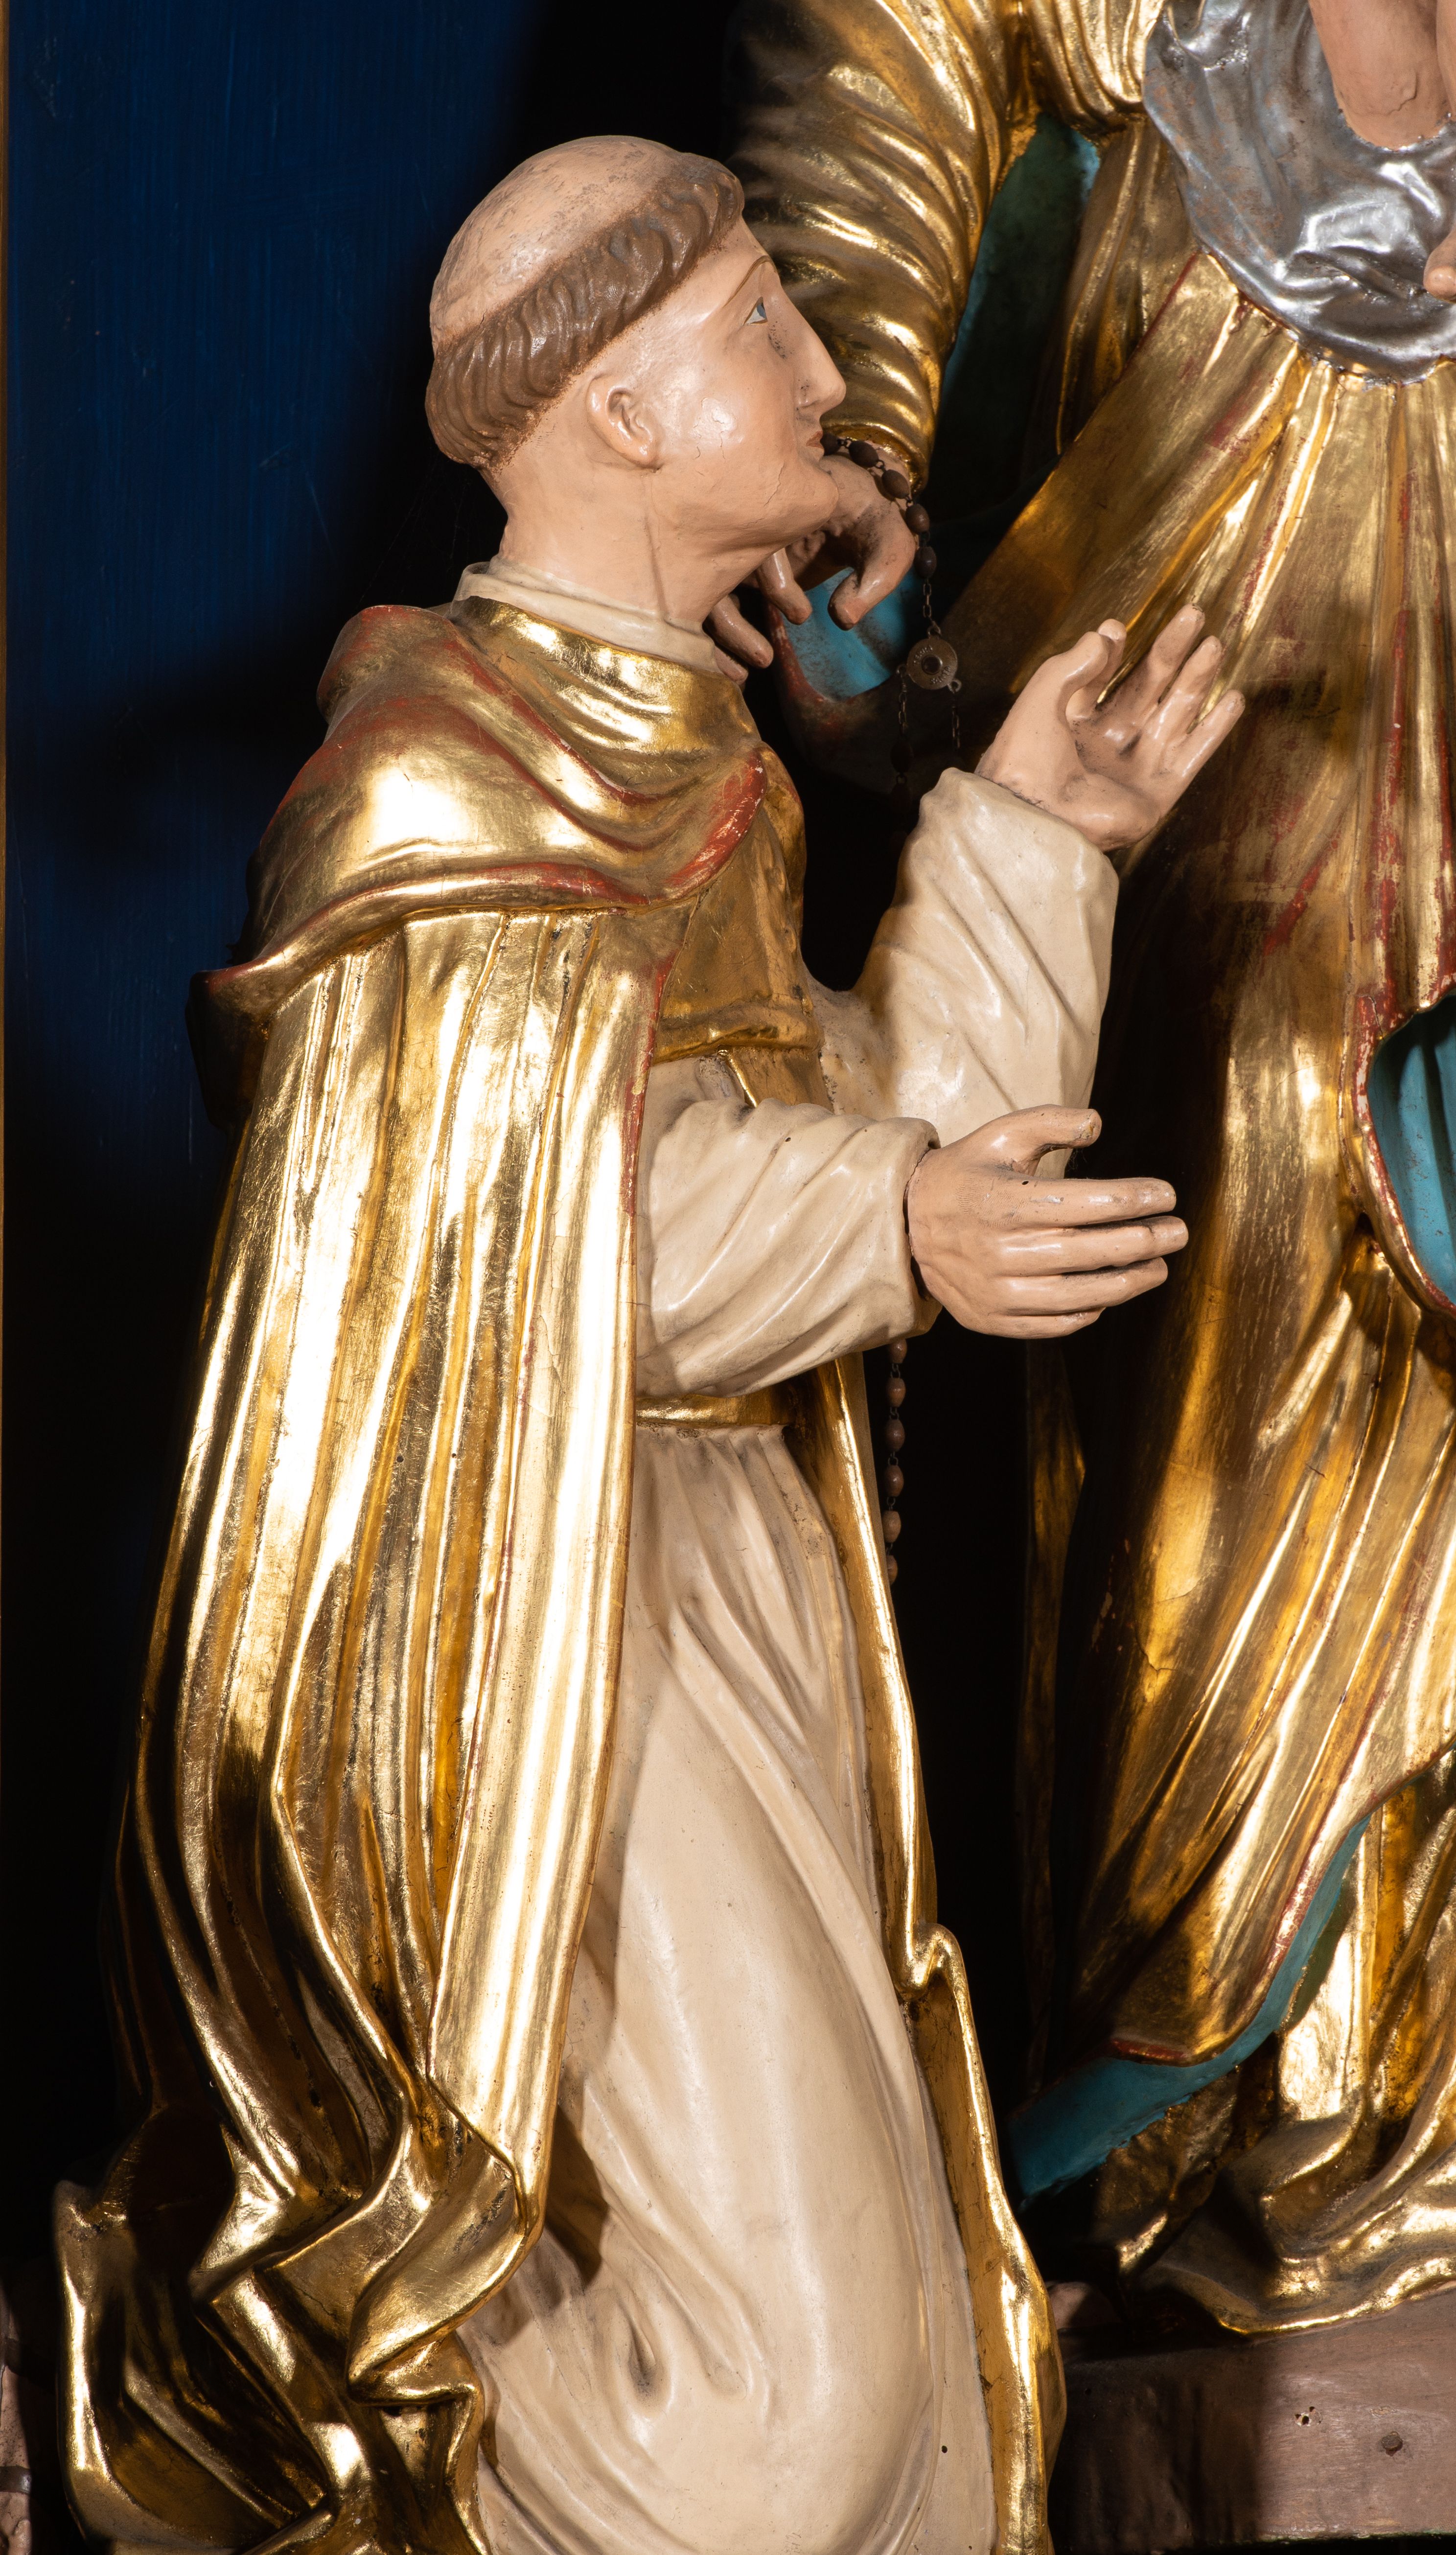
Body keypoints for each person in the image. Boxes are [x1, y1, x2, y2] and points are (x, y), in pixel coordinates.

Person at [55, 137, 1236, 2555]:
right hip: (532, 1638)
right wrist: (891, 1218)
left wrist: (1033, 842)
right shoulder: (439, 783)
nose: (823, 371)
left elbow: (846, 1145)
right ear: (616, 410)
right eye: (763, 327)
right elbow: (521, 1230)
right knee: (798, 2406)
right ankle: (375, 2466)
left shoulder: (688, 755)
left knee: (905, 2373)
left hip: (726, 1579)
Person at [730, 0, 1456, 2335]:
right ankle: (1225, 2100)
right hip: (1208, 676)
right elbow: (893, 59)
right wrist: (844, 427)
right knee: (1235, 1303)